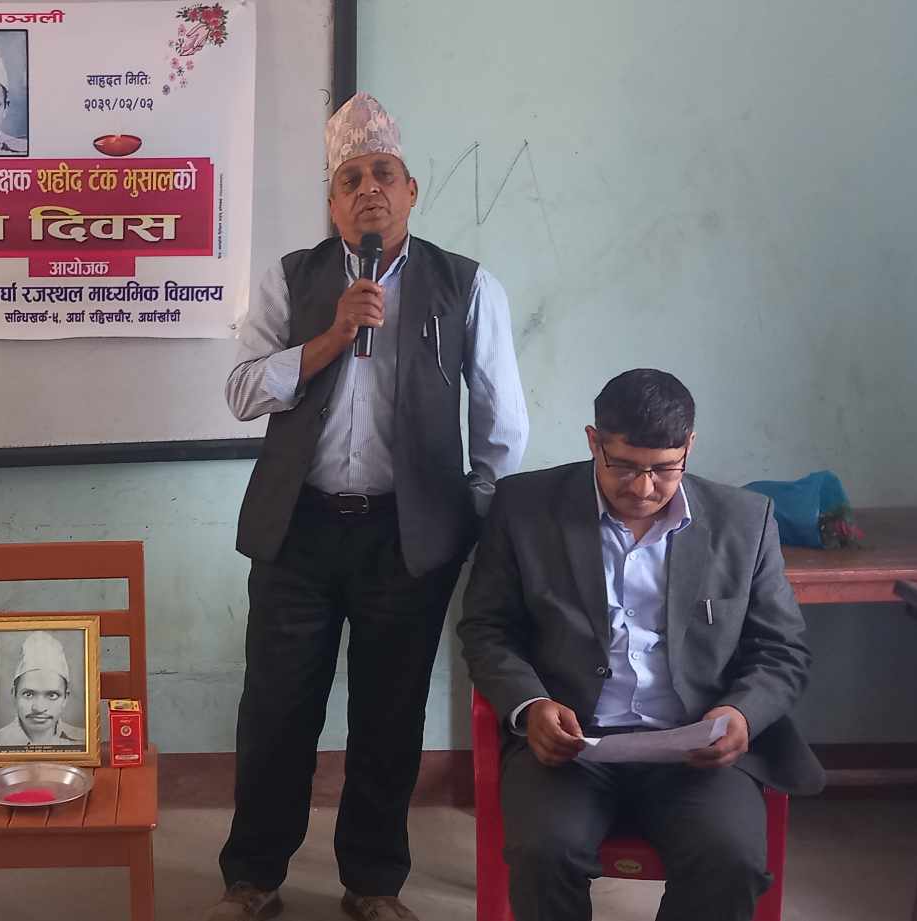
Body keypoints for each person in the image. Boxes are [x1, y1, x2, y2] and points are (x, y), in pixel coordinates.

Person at [210, 92, 529, 921]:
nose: (369, 191)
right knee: (276, 711)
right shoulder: (291, 279)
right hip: (298, 529)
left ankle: (374, 881)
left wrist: (469, 524)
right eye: (350, 179)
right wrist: (330, 337)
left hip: (406, 539)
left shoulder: (466, 286)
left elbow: (501, 425)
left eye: (383, 174)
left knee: (389, 716)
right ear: (333, 203)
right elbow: (241, 391)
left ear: (411, 189)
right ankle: (253, 877)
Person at [457, 369, 825, 921]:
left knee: (731, 859)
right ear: (593, 441)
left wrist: (741, 714)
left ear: (689, 447)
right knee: (544, 851)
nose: (643, 487)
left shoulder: (744, 522)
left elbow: (782, 648)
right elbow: (487, 628)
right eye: (624, 465)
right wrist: (530, 705)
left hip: (694, 750)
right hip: (572, 746)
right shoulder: (525, 508)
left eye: (664, 469)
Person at [0, 631, 85, 747]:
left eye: (52, 695)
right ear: (14, 694)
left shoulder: (85, 742)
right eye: (28, 694)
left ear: (65, 698)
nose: (39, 708)